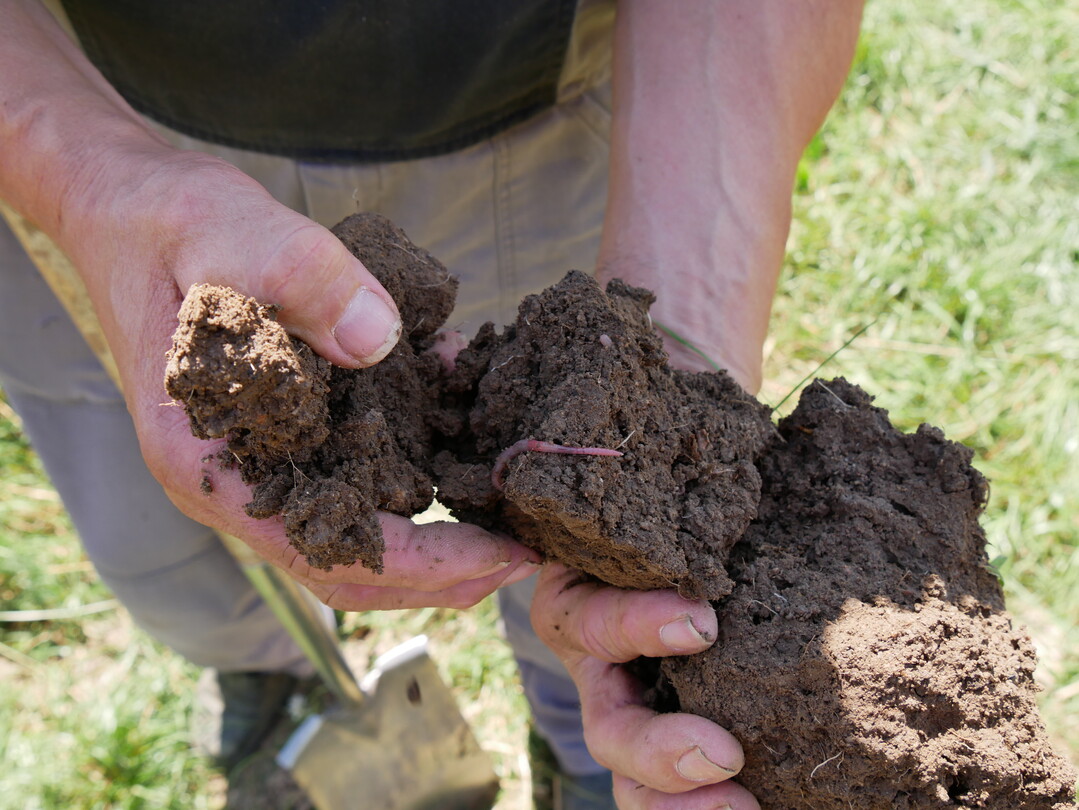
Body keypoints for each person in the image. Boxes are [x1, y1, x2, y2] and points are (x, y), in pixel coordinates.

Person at [0, 1, 864, 807]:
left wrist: (679, 341)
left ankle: (579, 746)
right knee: (155, 528)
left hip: (522, 109)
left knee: (559, 550)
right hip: (62, 93)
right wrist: (82, 180)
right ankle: (265, 673)